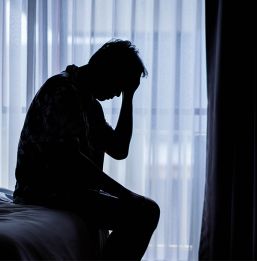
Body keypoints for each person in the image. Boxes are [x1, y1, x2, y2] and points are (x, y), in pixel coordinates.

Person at [13, 39, 159, 261]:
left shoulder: (89, 103)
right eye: (120, 85)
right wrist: (125, 194)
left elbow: (119, 149)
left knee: (148, 210)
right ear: (107, 70)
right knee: (144, 213)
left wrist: (129, 97)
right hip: (43, 191)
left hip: (69, 190)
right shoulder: (62, 90)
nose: (118, 94)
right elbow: (69, 158)